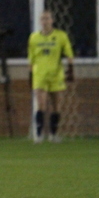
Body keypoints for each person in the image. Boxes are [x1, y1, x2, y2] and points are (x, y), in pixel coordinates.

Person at [28, 10, 74, 143]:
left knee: (56, 106)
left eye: (47, 18)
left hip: (56, 74)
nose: (45, 21)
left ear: (52, 20)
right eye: (42, 19)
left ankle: (54, 134)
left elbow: (69, 54)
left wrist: (70, 71)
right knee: (41, 104)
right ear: (40, 22)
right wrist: (30, 75)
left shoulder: (61, 36)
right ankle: (39, 134)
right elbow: (31, 57)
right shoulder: (34, 37)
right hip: (40, 75)